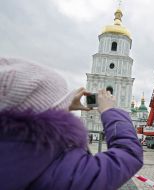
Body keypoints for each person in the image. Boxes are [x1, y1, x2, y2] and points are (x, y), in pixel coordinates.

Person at [0, 57, 143, 190]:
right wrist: (109, 111)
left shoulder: (14, 150)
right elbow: (128, 154)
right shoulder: (56, 170)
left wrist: (65, 105)